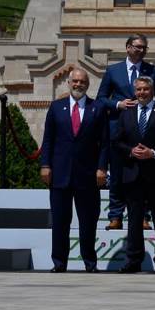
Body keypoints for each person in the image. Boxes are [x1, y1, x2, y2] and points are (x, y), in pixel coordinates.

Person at [38, 68, 108, 273]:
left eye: (82, 82)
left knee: (88, 222)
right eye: (75, 81)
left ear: (88, 84)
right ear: (68, 83)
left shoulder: (98, 108)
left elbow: (105, 143)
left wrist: (102, 168)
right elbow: (48, 140)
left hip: (88, 175)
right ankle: (59, 263)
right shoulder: (56, 107)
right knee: (60, 222)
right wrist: (45, 165)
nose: (78, 85)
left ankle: (90, 262)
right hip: (59, 174)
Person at [96, 34, 155, 232]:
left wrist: (146, 104)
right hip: (118, 129)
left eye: (144, 47)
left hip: (144, 129)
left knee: (142, 175)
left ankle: (142, 215)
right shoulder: (113, 71)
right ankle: (115, 216)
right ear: (127, 48)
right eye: (137, 47)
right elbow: (101, 98)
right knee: (117, 174)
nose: (141, 50)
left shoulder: (153, 71)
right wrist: (118, 104)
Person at [114, 75, 155, 274]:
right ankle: (134, 260)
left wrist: (153, 153)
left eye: (145, 89)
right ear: (135, 91)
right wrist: (130, 151)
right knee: (134, 219)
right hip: (133, 174)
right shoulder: (126, 114)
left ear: (152, 91)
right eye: (139, 89)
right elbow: (117, 141)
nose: (142, 93)